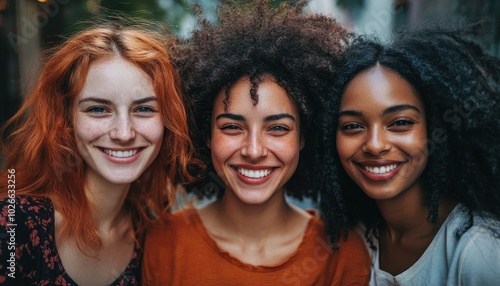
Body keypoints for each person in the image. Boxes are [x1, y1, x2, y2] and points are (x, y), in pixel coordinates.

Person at [142, 0, 370, 285]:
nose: (253, 150)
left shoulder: (341, 254)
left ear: (303, 138)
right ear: (207, 135)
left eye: (277, 128)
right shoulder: (164, 242)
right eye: (232, 127)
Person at [0, 20, 198, 285]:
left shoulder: (151, 232)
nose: (124, 133)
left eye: (144, 109)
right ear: (66, 119)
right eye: (98, 109)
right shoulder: (14, 223)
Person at [317, 25, 500, 285]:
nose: (375, 145)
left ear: (437, 128)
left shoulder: (479, 252)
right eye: (352, 126)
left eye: (400, 122)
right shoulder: (352, 238)